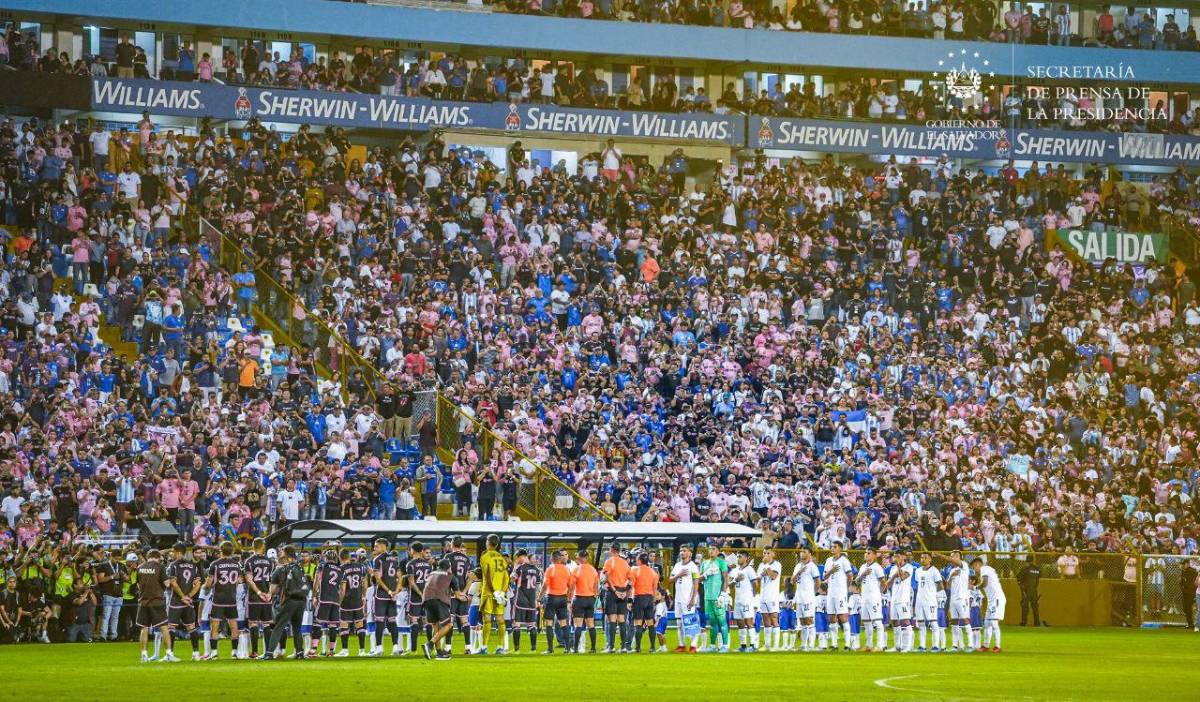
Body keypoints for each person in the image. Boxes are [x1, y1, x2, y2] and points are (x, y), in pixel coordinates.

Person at [262, 546, 309, 660]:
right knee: (297, 627)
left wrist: (269, 593)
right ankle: (299, 653)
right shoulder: (300, 568)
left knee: (278, 626)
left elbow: (273, 590)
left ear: (286, 554)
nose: (280, 553)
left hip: (289, 600)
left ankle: (269, 653)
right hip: (302, 600)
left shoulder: (280, 570)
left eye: (282, 551)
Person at [203, 541, 242, 660]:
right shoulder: (237, 564)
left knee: (215, 625)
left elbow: (209, 583)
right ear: (232, 551)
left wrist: (205, 587)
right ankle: (234, 652)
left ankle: (214, 653)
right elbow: (237, 582)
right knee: (234, 626)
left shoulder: (215, 564)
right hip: (231, 598)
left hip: (218, 598)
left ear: (221, 550)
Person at [165, 543, 203, 660]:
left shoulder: (174, 565)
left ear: (178, 552)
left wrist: (182, 596)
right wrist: (189, 596)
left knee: (171, 627)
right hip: (188, 602)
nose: (172, 554)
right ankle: (196, 653)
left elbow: (174, 583)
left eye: (173, 551)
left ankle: (170, 654)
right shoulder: (193, 566)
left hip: (176, 601)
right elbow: (198, 584)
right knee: (191, 627)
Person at [136, 549, 174, 663]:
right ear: (157, 557)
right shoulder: (159, 566)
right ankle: (168, 653)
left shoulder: (140, 567)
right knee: (164, 628)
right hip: (157, 602)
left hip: (143, 602)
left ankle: (144, 655)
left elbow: (138, 585)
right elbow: (167, 584)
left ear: (148, 556)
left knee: (144, 628)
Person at [242, 539, 275, 658]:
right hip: (267, 596)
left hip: (254, 596)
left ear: (253, 546)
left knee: (253, 623)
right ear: (262, 546)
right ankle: (268, 651)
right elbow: (273, 580)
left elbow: (249, 580)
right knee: (266, 624)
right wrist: (269, 593)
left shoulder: (249, 561)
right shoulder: (270, 562)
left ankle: (255, 651)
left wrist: (258, 592)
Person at [478, 533, 509, 655]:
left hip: (489, 592)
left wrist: (494, 590)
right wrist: (502, 591)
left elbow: (487, 575)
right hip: (500, 593)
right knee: (501, 620)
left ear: (488, 542)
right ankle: (500, 647)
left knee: (487, 619)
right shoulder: (501, 558)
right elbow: (506, 577)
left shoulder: (485, 557)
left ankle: (484, 647)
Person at [420, 558, 456, 661]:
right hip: (439, 600)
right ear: (448, 567)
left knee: (435, 625)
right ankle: (430, 644)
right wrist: (465, 596)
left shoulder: (431, 574)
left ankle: (439, 652)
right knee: (449, 624)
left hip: (426, 599)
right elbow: (458, 594)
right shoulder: (450, 576)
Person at [822, 541, 854, 651]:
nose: (832, 548)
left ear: (840, 548)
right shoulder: (828, 561)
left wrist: (845, 588)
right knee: (831, 618)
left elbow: (850, 576)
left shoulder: (844, 561)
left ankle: (847, 644)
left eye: (835, 547)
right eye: (832, 546)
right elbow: (824, 577)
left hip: (840, 593)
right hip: (830, 593)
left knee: (843, 617)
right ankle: (834, 644)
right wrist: (831, 571)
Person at [698, 543, 730, 653]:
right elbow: (699, 579)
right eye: (710, 549)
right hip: (708, 596)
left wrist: (722, 595)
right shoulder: (704, 563)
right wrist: (706, 574)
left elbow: (726, 579)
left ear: (718, 551)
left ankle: (725, 646)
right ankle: (712, 645)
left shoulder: (721, 562)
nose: (711, 551)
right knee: (712, 622)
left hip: (718, 597)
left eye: (714, 549)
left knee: (722, 620)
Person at [337, 549, 369, 656]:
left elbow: (343, 589)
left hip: (346, 601)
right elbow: (365, 584)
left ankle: (345, 650)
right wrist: (364, 596)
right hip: (358, 600)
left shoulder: (342, 569)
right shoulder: (361, 567)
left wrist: (339, 602)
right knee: (360, 624)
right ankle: (362, 650)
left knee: (344, 625)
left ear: (341, 557)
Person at [542, 550, 574, 654]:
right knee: (564, 623)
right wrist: (569, 598)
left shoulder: (550, 569)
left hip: (551, 597)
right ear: (560, 558)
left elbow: (545, 585)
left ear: (552, 558)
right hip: (562, 598)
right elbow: (571, 586)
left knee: (549, 623)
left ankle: (550, 649)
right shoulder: (567, 570)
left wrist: (539, 597)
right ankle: (567, 648)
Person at [669, 546, 700, 652]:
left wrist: (693, 598)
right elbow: (670, 580)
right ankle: (681, 645)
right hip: (678, 598)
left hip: (688, 599)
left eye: (684, 551)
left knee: (691, 622)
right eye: (681, 551)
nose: (682, 552)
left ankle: (693, 645)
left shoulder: (693, 567)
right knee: (679, 622)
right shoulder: (677, 566)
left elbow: (696, 583)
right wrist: (679, 574)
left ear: (690, 553)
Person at [601, 544, 631, 653]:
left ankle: (611, 647)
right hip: (622, 592)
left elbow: (606, 577)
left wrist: (614, 591)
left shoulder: (609, 561)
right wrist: (625, 592)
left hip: (612, 592)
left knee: (612, 620)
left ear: (611, 550)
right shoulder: (625, 563)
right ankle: (623, 647)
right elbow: (631, 580)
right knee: (622, 620)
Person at [510, 549, 541, 653]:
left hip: (520, 601)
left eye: (517, 558)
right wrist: (537, 600)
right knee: (531, 625)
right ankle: (533, 649)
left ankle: (517, 649)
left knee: (516, 624)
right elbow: (538, 587)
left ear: (520, 556)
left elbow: (511, 579)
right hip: (532, 601)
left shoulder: (520, 568)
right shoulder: (537, 570)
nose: (517, 560)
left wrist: (514, 567)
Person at [405, 542, 434, 654]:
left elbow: (412, 582)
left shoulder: (410, 564)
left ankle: (413, 650)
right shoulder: (428, 565)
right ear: (421, 551)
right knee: (427, 622)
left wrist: (420, 594)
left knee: (414, 621)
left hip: (415, 597)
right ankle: (430, 648)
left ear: (413, 550)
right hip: (427, 596)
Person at [855, 548, 885, 652]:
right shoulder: (863, 567)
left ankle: (880, 646)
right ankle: (869, 645)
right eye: (865, 553)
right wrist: (863, 574)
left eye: (869, 553)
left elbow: (883, 582)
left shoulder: (877, 567)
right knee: (866, 622)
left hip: (873, 597)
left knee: (877, 621)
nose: (866, 554)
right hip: (864, 597)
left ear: (874, 555)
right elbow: (857, 581)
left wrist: (879, 594)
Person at [571, 549, 600, 653]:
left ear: (579, 558)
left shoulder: (576, 569)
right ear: (587, 557)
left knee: (578, 625)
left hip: (579, 598)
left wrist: (569, 599)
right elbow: (597, 586)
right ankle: (593, 648)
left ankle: (575, 649)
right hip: (590, 598)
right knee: (591, 624)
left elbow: (572, 586)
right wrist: (594, 597)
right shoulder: (593, 570)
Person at [791, 546, 820, 652]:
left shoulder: (812, 566)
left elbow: (818, 582)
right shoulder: (798, 566)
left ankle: (811, 646)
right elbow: (792, 581)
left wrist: (812, 594)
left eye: (804, 551)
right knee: (802, 622)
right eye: (801, 551)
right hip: (799, 598)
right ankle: (804, 645)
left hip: (808, 598)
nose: (801, 553)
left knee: (809, 621)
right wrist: (799, 572)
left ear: (810, 554)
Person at [628, 552, 658, 653]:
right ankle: (653, 647)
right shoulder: (653, 572)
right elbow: (655, 589)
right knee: (650, 624)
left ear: (639, 560)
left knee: (638, 624)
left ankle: (637, 648)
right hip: (649, 598)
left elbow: (631, 586)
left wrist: (629, 600)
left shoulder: (635, 570)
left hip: (639, 598)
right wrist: (653, 602)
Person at [973, 556, 1005, 652]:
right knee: (987, 623)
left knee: (994, 623)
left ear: (978, 564)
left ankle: (997, 646)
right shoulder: (987, 570)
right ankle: (986, 646)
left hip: (997, 599)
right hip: (992, 600)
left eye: (974, 566)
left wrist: (976, 587)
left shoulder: (984, 569)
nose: (974, 569)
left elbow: (985, 583)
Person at [914, 552, 943, 652]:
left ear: (930, 559)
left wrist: (936, 596)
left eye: (925, 557)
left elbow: (940, 585)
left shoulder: (934, 571)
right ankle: (922, 646)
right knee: (921, 624)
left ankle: (935, 646)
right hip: (919, 600)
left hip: (930, 601)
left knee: (933, 623)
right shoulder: (917, 571)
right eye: (921, 557)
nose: (923, 559)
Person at [730, 551, 758, 652]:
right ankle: (743, 646)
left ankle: (753, 645)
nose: (738, 558)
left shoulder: (750, 570)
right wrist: (735, 580)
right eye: (737, 556)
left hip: (746, 599)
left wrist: (752, 596)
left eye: (740, 556)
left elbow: (755, 583)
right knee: (740, 622)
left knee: (749, 621)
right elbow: (729, 585)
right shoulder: (735, 570)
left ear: (746, 558)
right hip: (737, 599)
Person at [756, 549, 782, 652]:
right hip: (763, 595)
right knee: (765, 620)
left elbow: (773, 576)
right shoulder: (761, 565)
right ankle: (767, 645)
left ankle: (775, 646)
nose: (766, 555)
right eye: (764, 553)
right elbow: (758, 578)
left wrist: (766, 566)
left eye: (768, 553)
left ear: (773, 554)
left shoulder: (777, 565)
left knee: (774, 619)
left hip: (772, 596)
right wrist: (763, 569)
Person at [945, 550, 971, 652]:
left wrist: (939, 555)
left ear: (960, 557)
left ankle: (970, 644)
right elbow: (947, 586)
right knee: (954, 621)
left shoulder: (964, 565)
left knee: (965, 620)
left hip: (962, 598)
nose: (953, 558)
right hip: (953, 599)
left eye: (955, 556)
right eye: (951, 556)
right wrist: (952, 576)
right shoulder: (952, 570)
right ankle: (955, 645)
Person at [1018, 560, 1042, 627]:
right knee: (1035, 606)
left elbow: (1019, 578)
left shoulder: (1025, 569)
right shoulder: (1037, 569)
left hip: (1026, 590)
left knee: (1025, 606)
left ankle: (1024, 622)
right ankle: (1037, 622)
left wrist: (1021, 587)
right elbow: (1038, 579)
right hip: (1034, 590)